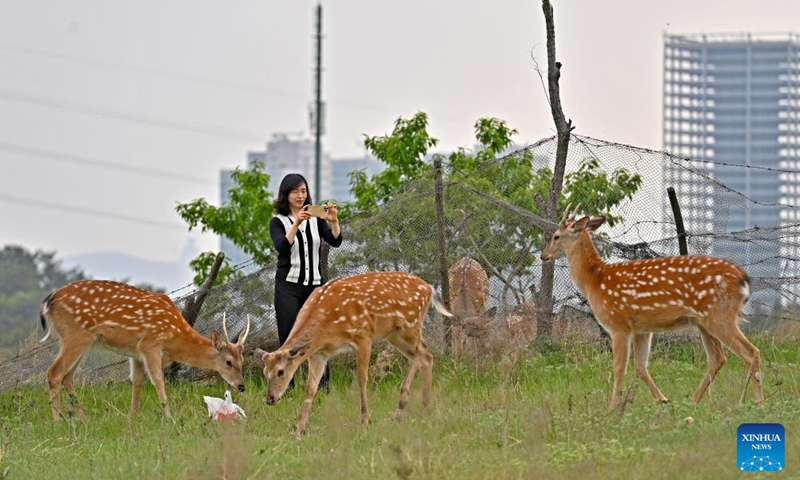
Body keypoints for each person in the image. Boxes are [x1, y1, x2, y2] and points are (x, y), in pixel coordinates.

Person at [270, 173, 342, 391]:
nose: (301, 196)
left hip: (314, 287)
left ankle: (322, 385)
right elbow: (282, 247)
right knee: (289, 336)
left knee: (318, 335)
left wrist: (334, 221)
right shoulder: (278, 222)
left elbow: (336, 241)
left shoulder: (316, 220)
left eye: (303, 191)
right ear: (286, 195)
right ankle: (287, 386)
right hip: (288, 287)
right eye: (295, 192)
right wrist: (297, 224)